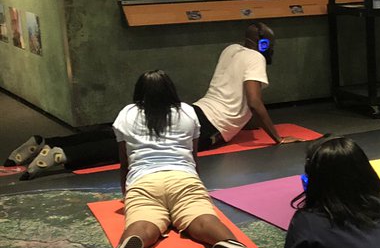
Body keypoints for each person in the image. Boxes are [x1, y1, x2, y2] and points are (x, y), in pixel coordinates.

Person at [6, 22, 291, 177]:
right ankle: (63, 155)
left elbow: (235, 96)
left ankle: (47, 142)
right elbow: (253, 101)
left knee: (123, 133)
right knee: (134, 146)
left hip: (195, 109)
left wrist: (248, 125)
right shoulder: (256, 58)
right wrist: (277, 138)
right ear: (265, 44)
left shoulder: (231, 49)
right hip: (210, 126)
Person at [100, 70, 273, 248]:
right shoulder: (187, 112)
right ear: (171, 90)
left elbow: (124, 162)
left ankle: (133, 241)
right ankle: (229, 242)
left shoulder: (126, 114)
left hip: (144, 180)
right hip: (183, 177)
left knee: (144, 222)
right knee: (202, 219)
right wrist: (197, 184)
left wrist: (127, 192)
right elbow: (193, 155)